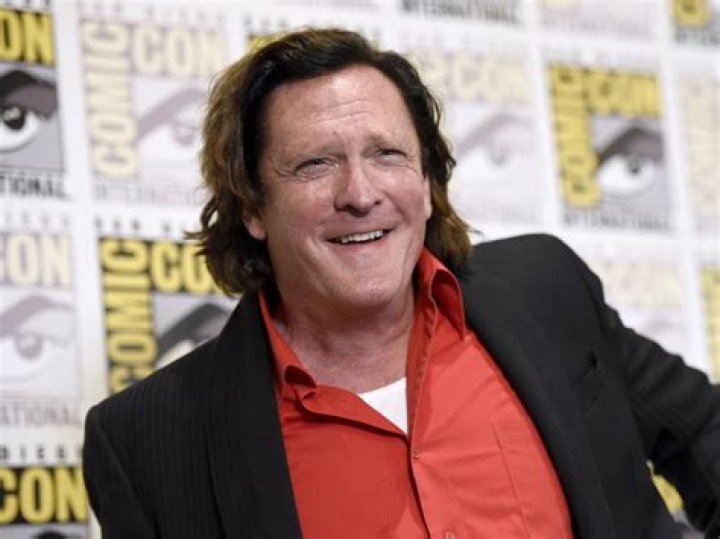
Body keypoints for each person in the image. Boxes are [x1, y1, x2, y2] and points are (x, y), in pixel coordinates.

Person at [82, 28, 720, 539]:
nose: (360, 194)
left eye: (386, 154)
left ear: (426, 179)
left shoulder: (546, 290)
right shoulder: (150, 442)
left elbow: (701, 430)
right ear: (252, 207)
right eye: (315, 164)